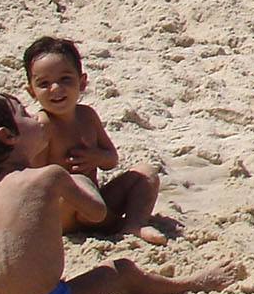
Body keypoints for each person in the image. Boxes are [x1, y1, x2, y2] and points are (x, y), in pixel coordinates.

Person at [0, 94, 238, 294]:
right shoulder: (49, 176)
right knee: (120, 272)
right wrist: (79, 180)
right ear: (8, 136)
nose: (35, 117)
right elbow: (96, 213)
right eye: (24, 114)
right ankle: (191, 283)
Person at [22, 36, 164, 244]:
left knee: (146, 173)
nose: (56, 89)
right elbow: (33, 181)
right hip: (62, 213)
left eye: (65, 79)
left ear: (82, 82)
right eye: (44, 84)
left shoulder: (87, 116)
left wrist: (97, 157)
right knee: (77, 182)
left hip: (95, 204)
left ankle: (135, 223)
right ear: (32, 91)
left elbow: (111, 160)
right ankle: (110, 221)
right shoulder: (42, 126)